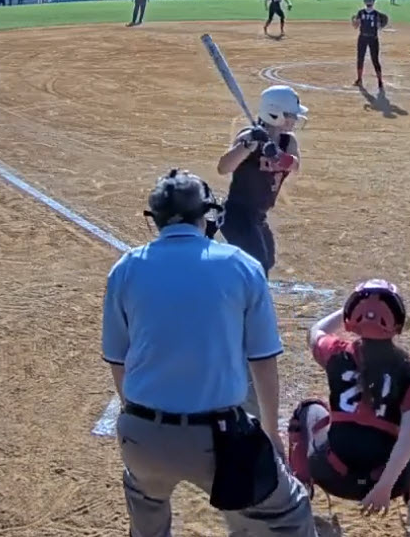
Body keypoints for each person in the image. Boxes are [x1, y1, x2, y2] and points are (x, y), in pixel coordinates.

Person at [101, 168, 318, 537]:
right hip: (218, 441)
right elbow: (262, 360)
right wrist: (270, 432)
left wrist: (141, 424)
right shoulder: (242, 266)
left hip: (141, 437)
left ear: (155, 219)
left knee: (145, 506)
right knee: (290, 513)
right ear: (207, 215)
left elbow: (118, 360)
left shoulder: (125, 268)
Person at [287, 279, 410, 529]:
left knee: (306, 411)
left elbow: (315, 332)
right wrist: (384, 487)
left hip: (331, 474)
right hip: (389, 483)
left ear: (352, 319)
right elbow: (409, 437)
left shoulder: (336, 352)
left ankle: (297, 494)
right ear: (398, 323)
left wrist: (349, 311)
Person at [215, 85, 305, 278]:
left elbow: (295, 166)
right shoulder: (248, 136)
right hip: (237, 215)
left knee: (267, 260)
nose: (295, 119)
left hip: (258, 216)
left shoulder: (288, 141)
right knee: (258, 266)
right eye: (291, 114)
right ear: (275, 114)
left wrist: (278, 155)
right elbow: (223, 168)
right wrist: (249, 146)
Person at [352, 0, 390, 90]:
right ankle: (380, 82)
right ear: (373, 2)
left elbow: (356, 26)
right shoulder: (377, 14)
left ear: (364, 2)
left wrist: (353, 21)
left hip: (362, 38)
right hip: (373, 38)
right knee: (375, 60)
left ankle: (359, 79)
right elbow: (379, 26)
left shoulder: (361, 13)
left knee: (360, 58)